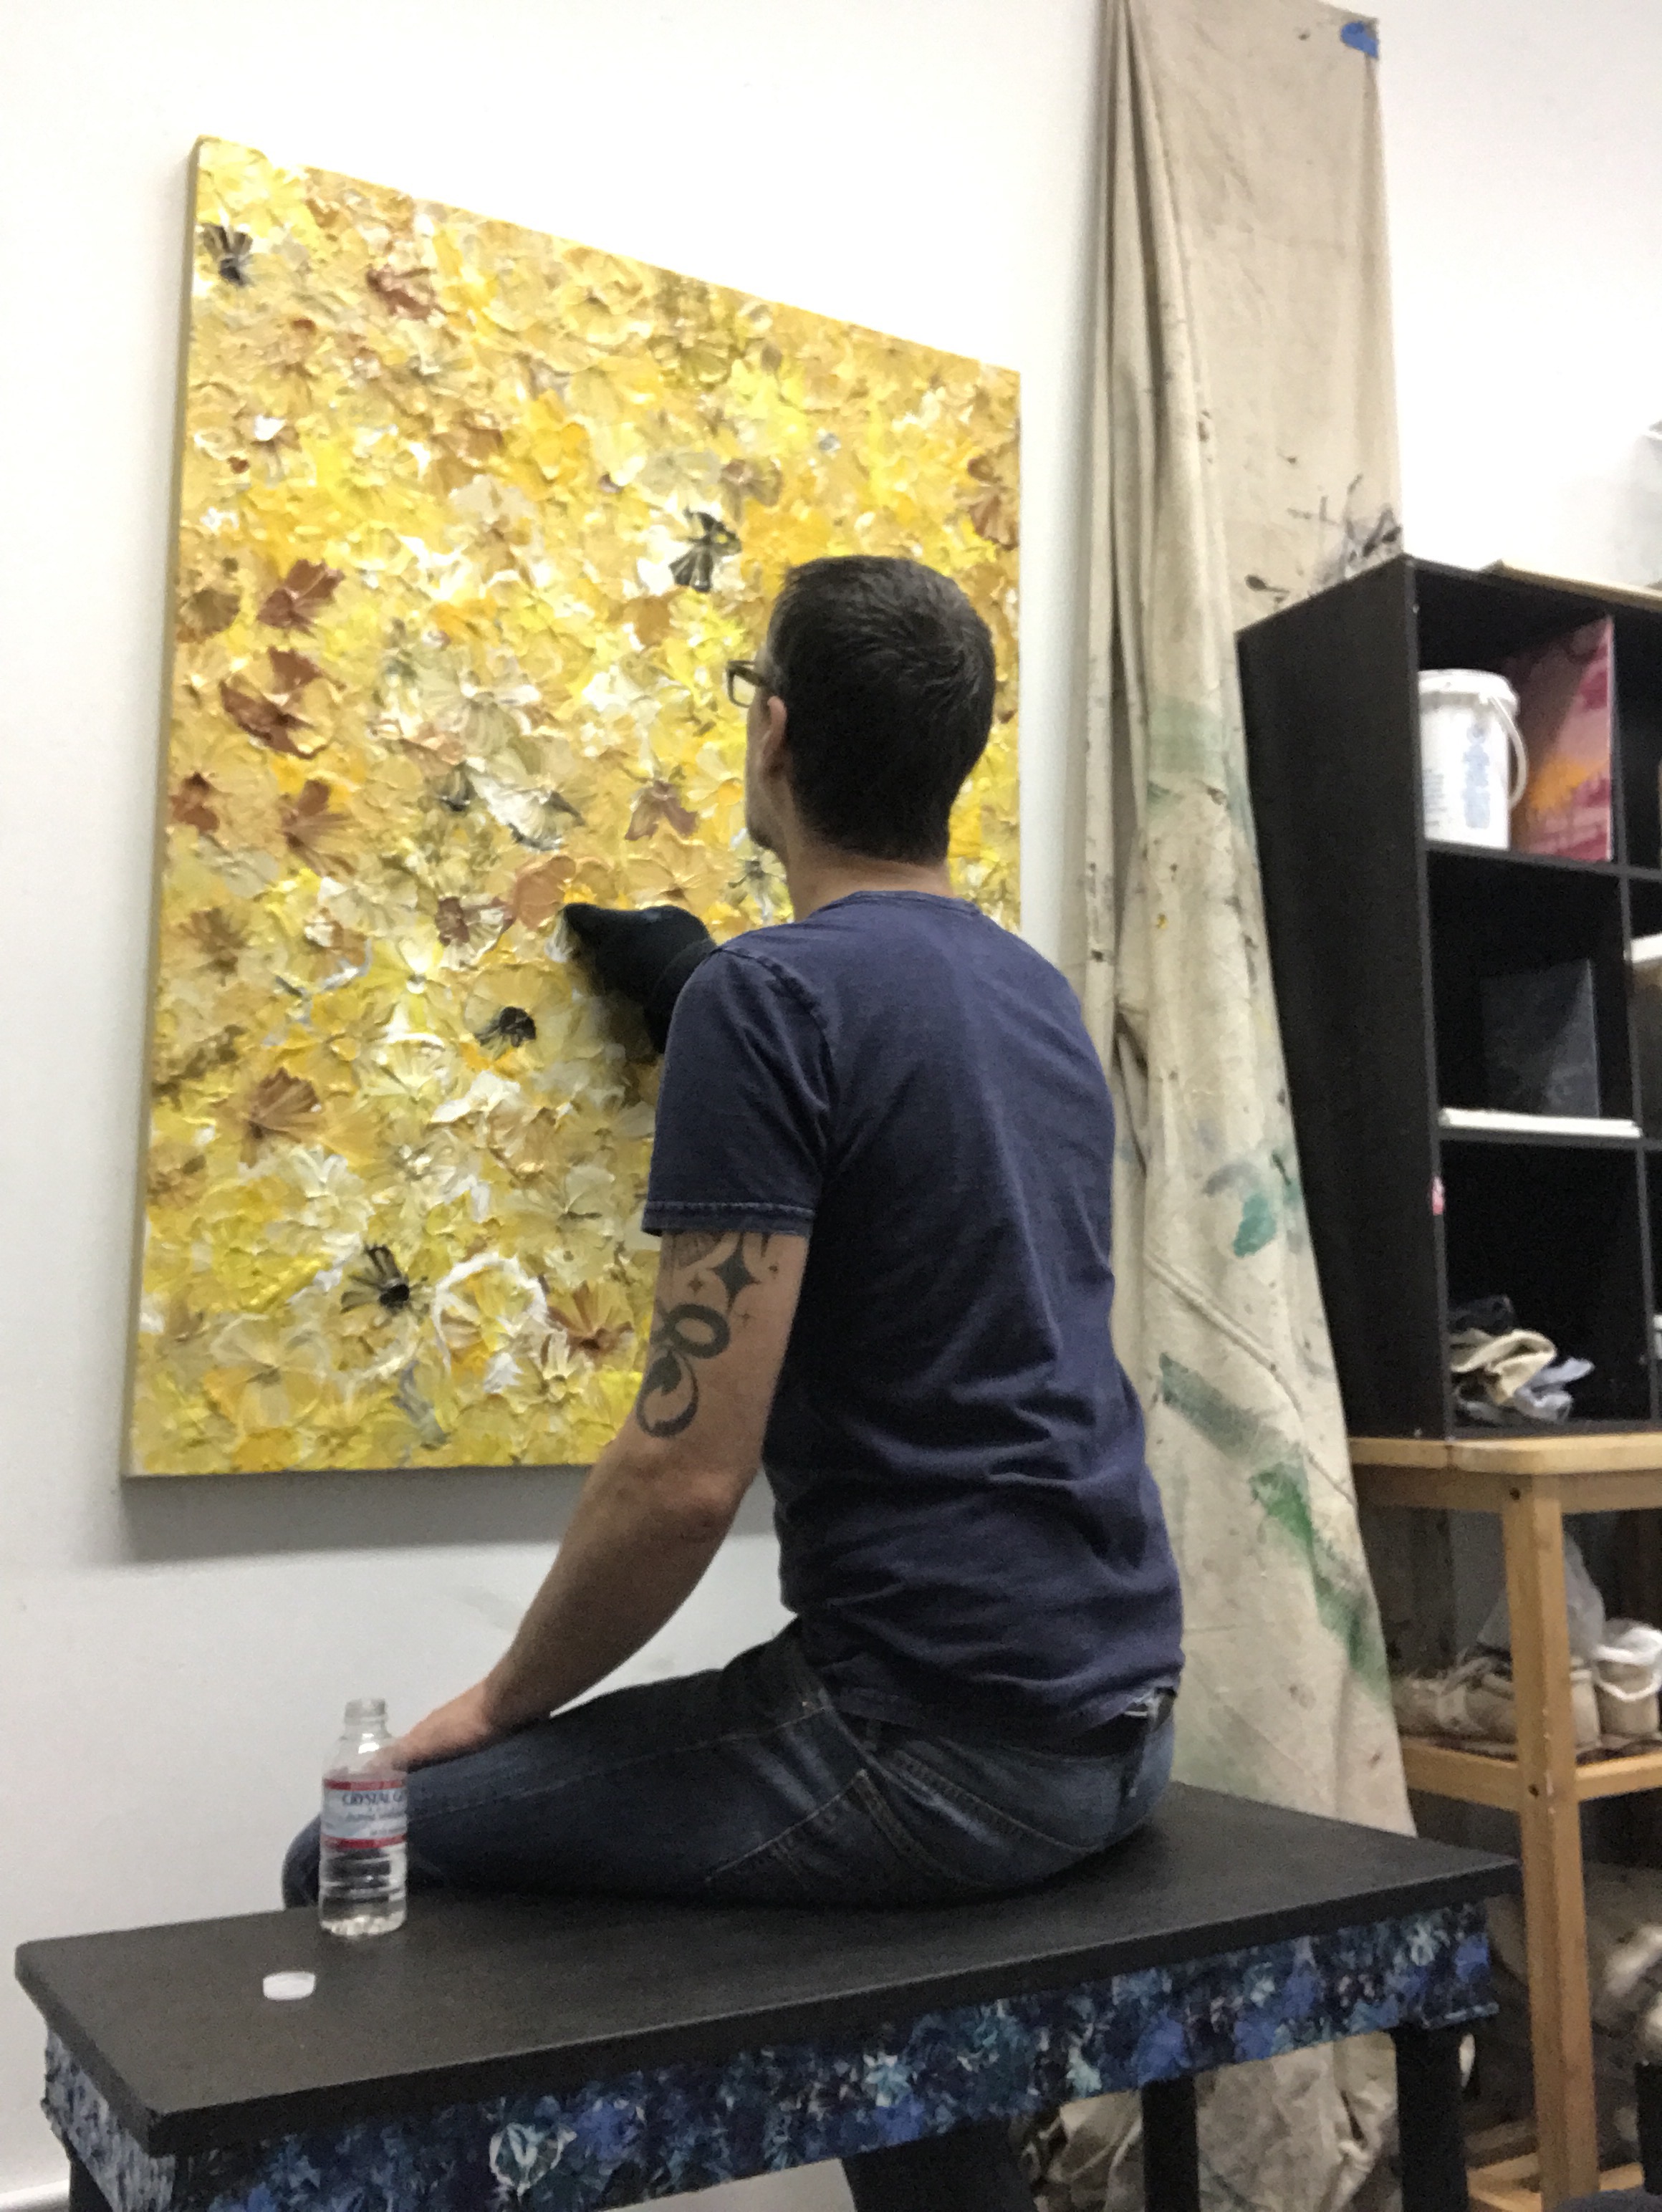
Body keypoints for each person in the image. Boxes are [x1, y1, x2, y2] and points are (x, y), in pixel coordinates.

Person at [283, 554, 1183, 2212]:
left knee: (354, 1849)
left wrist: (492, 1706)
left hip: (936, 1749)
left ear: (771, 730)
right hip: (1117, 1724)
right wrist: (704, 986)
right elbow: (906, 1136)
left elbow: (683, 1475)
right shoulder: (1034, 1000)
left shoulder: (771, 1004)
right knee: (896, 1984)